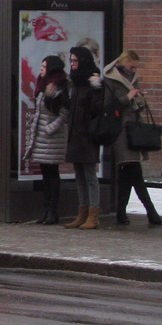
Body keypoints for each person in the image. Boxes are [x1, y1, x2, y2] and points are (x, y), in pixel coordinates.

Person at [102, 49, 162, 226]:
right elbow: (107, 106)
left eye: (135, 67)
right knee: (133, 171)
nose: (133, 70)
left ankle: (122, 213)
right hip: (120, 131)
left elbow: (136, 107)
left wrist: (139, 99)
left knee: (129, 174)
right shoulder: (110, 79)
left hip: (133, 130)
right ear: (122, 62)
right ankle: (150, 213)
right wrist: (127, 97)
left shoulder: (132, 78)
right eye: (131, 66)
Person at [24, 55, 69, 224]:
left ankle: (52, 211)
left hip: (52, 138)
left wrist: (50, 128)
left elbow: (64, 113)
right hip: (41, 137)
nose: (41, 69)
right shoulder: (42, 85)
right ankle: (45, 210)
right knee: (46, 175)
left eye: (44, 67)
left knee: (52, 174)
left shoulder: (60, 87)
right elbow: (39, 110)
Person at [64, 45, 104, 230]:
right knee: (78, 174)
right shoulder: (76, 82)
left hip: (87, 135)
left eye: (75, 60)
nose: (72, 64)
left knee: (89, 174)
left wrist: (97, 88)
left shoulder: (92, 81)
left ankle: (94, 214)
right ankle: (82, 212)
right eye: (71, 60)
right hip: (75, 134)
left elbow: (97, 108)